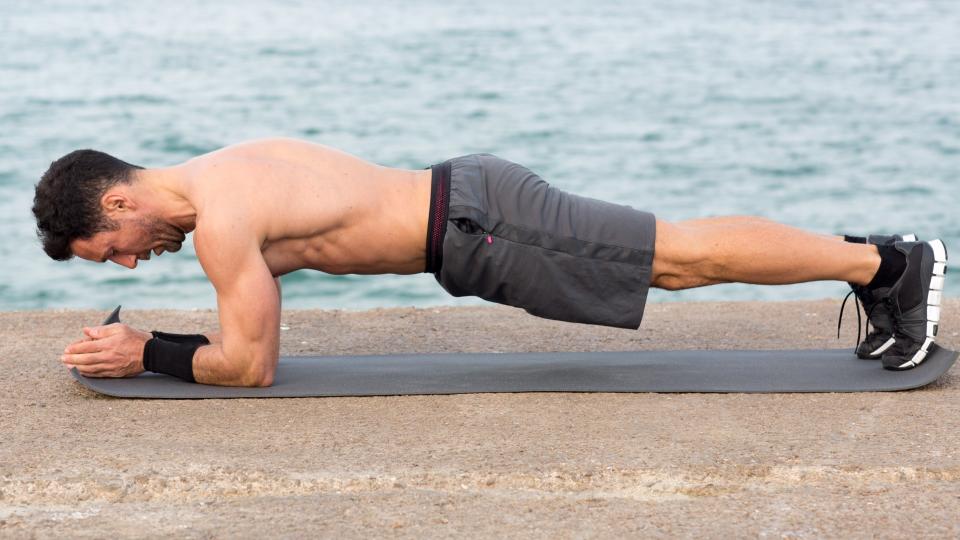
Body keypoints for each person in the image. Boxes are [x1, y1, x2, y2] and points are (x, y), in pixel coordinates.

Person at [32, 138, 948, 387]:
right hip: (471, 205)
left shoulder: (226, 219)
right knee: (677, 257)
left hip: (479, 225)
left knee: (680, 257)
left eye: (108, 249)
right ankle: (876, 267)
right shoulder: (225, 166)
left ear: (118, 201)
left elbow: (251, 366)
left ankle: (887, 268)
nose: (126, 265)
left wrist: (145, 352)